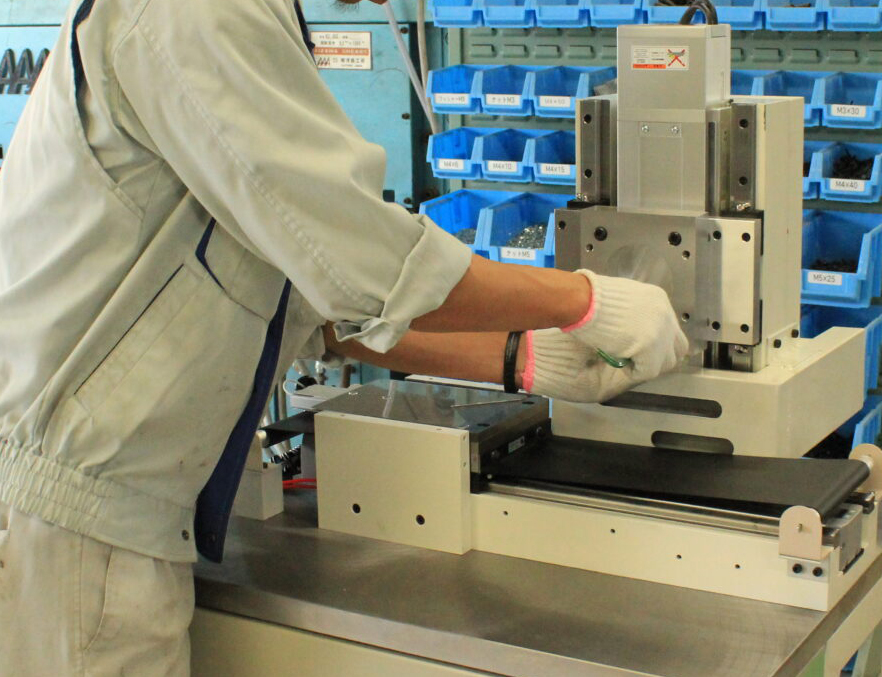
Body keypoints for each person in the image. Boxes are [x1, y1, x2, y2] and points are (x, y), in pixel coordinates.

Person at [0, 0, 688, 674]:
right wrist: (583, 300)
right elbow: (363, 267)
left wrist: (523, 358)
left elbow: (308, 302)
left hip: (102, 519)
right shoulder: (199, 11)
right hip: (75, 535)